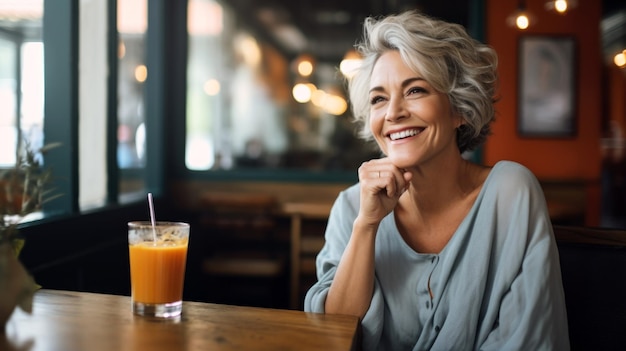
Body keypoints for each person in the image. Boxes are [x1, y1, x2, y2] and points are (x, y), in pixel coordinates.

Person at [304, 10, 570, 350]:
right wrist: (367, 225)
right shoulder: (352, 207)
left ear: (459, 108)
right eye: (378, 99)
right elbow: (334, 335)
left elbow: (526, 338)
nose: (394, 112)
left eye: (415, 90)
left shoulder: (510, 193)